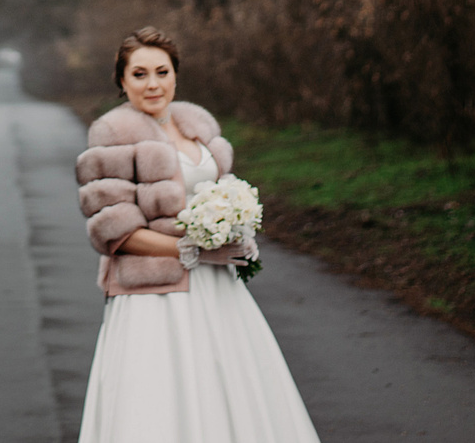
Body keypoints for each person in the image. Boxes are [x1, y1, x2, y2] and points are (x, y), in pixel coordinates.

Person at [73, 26, 322, 443]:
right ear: (121, 80)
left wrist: (238, 231)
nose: (153, 84)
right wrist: (194, 249)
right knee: (159, 401)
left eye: (162, 72)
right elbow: (114, 231)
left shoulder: (197, 125)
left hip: (219, 288)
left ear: (175, 75)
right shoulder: (112, 134)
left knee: (232, 391)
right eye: (139, 74)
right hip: (154, 294)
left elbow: (223, 193)